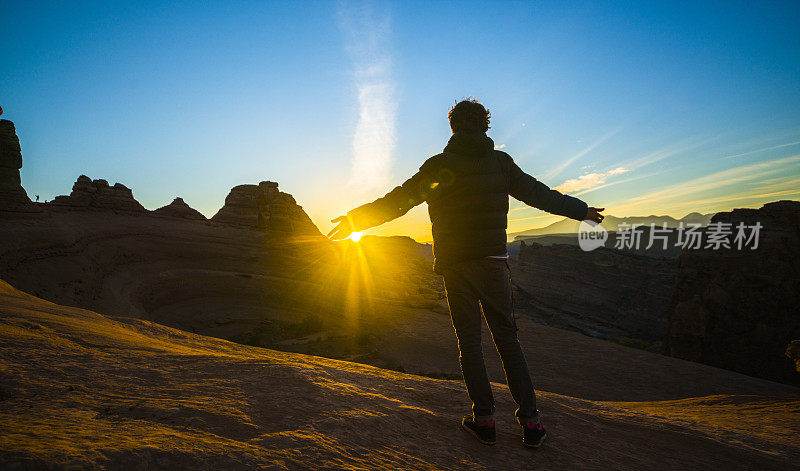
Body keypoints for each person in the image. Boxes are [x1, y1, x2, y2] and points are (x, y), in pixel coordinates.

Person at [328, 99, 604, 448]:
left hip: (456, 265)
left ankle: (484, 420)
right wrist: (582, 211)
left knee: (470, 343)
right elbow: (539, 195)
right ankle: (532, 425)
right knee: (508, 341)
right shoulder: (500, 163)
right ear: (485, 126)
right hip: (493, 262)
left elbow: (400, 200)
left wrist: (355, 220)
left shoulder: (438, 166)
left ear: (453, 127)